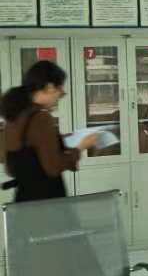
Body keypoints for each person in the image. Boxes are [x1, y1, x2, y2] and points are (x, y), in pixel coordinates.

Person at [1, 60, 97, 201]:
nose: (61, 95)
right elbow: (53, 167)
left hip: (24, 199)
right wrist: (81, 147)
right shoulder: (41, 118)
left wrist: (60, 140)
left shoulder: (14, 115)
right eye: (60, 90)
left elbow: (11, 165)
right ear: (50, 87)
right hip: (47, 201)